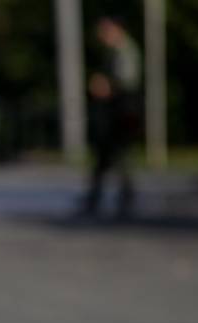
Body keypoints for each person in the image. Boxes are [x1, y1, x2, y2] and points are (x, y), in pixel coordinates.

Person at [80, 17, 142, 220]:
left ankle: (121, 197)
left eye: (105, 31)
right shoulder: (115, 51)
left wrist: (106, 86)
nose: (102, 36)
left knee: (117, 153)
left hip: (122, 109)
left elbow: (126, 81)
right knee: (107, 156)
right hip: (115, 110)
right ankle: (99, 198)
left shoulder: (125, 50)